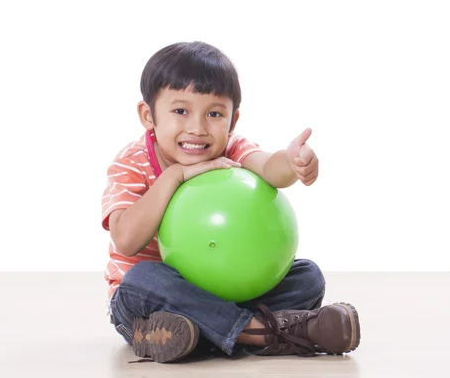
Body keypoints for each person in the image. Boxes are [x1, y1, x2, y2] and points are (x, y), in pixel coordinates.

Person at [101, 41, 361, 363]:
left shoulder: (230, 148)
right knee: (141, 279)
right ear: (148, 115)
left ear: (233, 119)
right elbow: (126, 241)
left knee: (307, 277)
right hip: (153, 300)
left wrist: (292, 163)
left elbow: (268, 167)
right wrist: (174, 177)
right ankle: (262, 333)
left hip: (230, 292)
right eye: (180, 111)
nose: (197, 128)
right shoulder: (131, 163)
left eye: (214, 113)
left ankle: (201, 334)